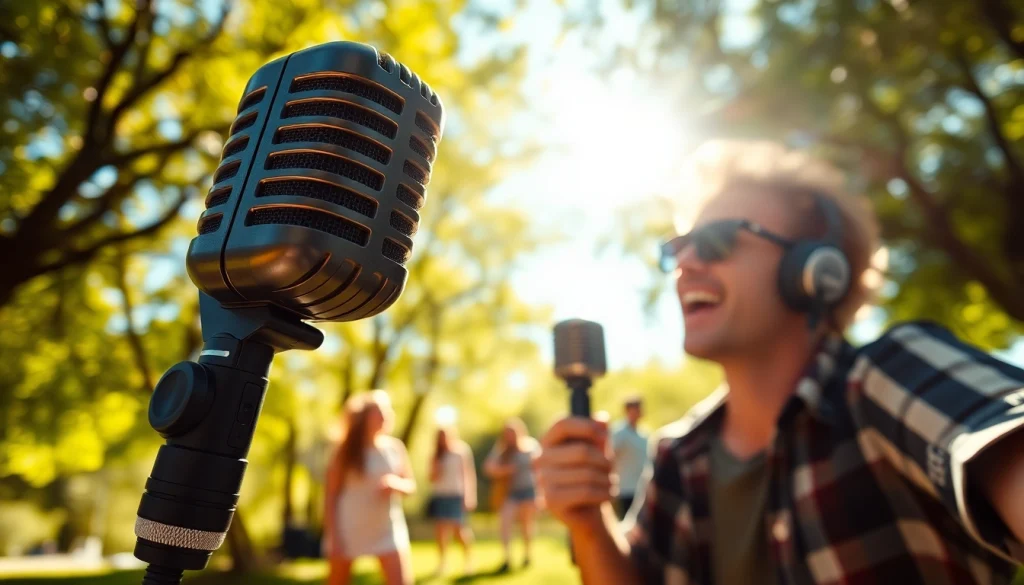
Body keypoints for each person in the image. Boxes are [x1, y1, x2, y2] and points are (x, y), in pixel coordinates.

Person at [533, 140, 1024, 585]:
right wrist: (590, 526)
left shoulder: (890, 378)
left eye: (718, 240)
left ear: (814, 270)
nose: (686, 264)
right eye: (677, 247)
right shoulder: (676, 457)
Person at [323, 390, 416, 585]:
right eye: (379, 412)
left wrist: (395, 484)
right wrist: (334, 538)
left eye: (387, 411)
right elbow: (331, 496)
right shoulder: (344, 451)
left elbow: (410, 486)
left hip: (387, 529)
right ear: (364, 418)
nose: (385, 416)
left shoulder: (395, 448)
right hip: (348, 529)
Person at [484, 418, 541, 573]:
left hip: (528, 491)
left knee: (526, 525)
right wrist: (505, 470)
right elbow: (488, 467)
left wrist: (541, 494)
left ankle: (527, 554)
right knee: (505, 523)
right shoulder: (502, 449)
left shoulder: (530, 446)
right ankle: (507, 558)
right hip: (510, 493)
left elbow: (540, 469)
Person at [427, 426, 477, 576]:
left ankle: (469, 560)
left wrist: (469, 496)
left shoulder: (461, 451)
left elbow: (468, 475)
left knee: (459, 530)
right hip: (441, 495)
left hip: (456, 495)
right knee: (441, 532)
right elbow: (431, 478)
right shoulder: (436, 455)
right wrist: (437, 468)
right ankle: (442, 563)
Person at [610, 396, 648, 519]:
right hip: (625, 490)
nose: (638, 412)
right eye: (635, 409)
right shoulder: (619, 432)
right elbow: (611, 457)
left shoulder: (643, 434)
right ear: (627, 411)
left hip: (641, 491)